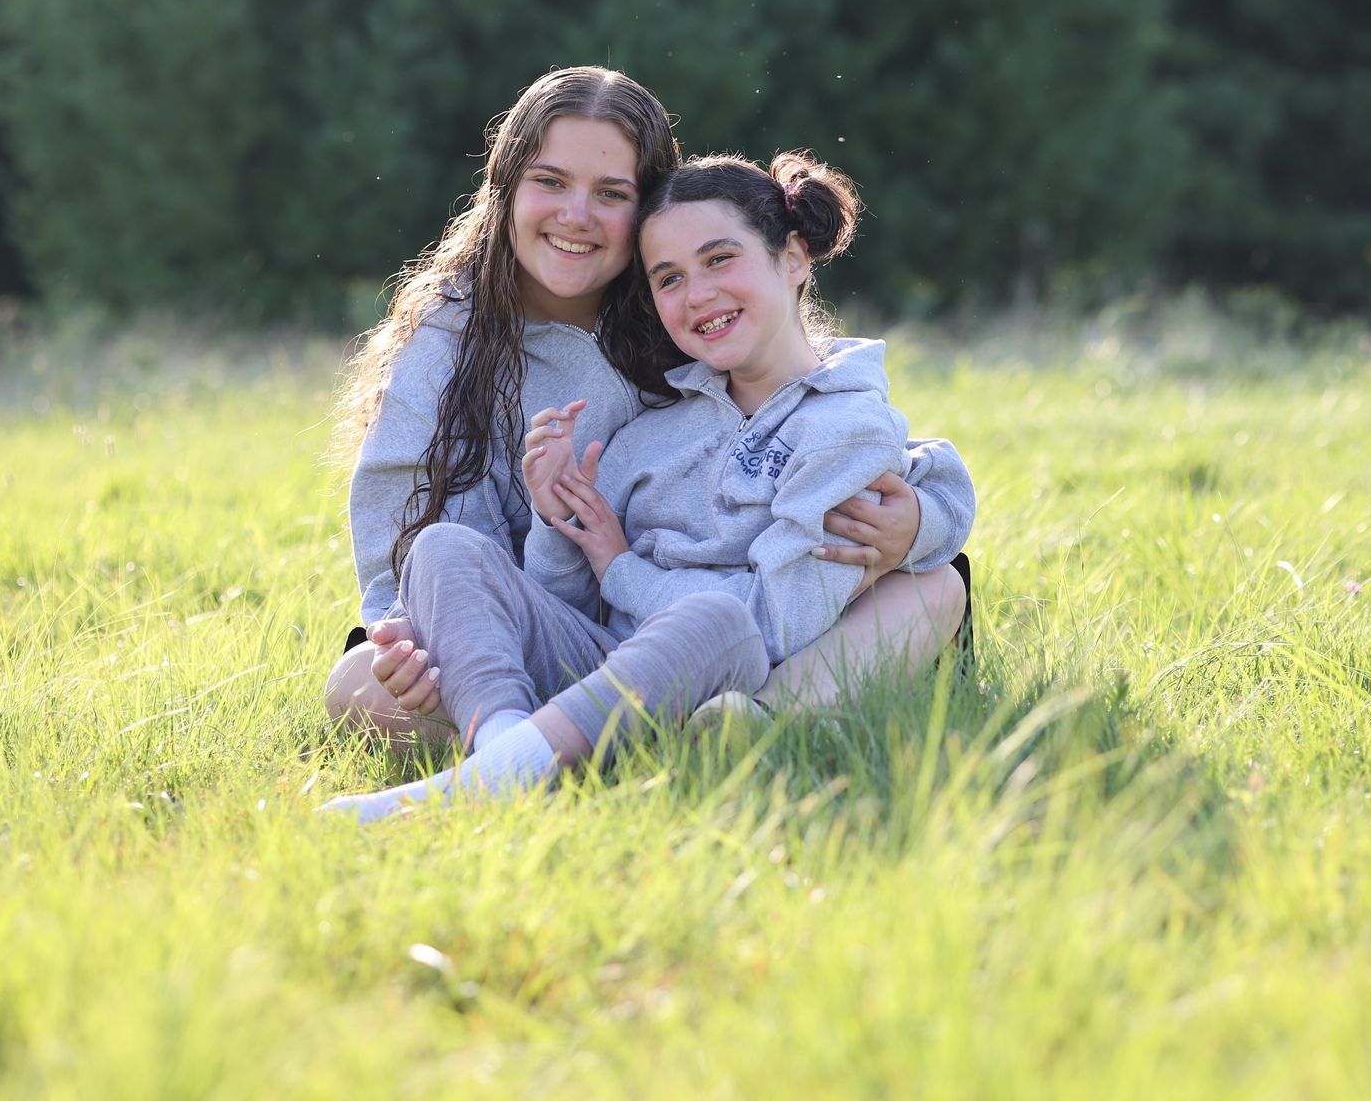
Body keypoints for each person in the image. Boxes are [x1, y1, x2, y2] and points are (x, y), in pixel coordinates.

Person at [323, 67, 971, 748]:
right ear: (504, 188)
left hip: (745, 629)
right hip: (542, 636)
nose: (576, 215)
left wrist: (921, 521)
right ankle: (556, 742)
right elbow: (418, 540)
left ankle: (750, 724)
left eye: (611, 192)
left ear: (646, 208)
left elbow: (807, 404)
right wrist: (413, 636)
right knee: (356, 682)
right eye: (549, 182)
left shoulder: (674, 315)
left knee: (937, 586)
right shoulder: (446, 349)